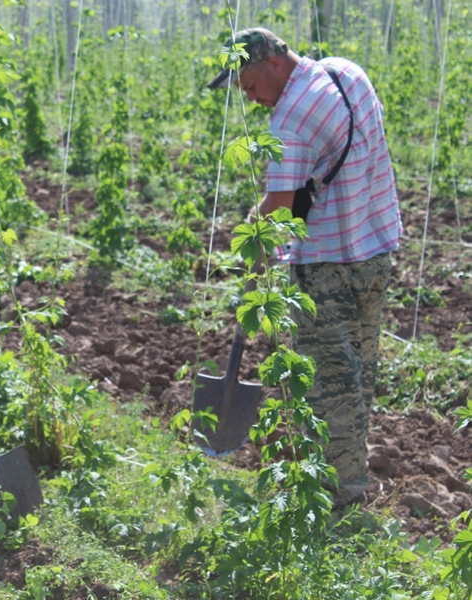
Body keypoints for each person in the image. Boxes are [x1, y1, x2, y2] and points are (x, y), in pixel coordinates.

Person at [207, 28, 403, 508]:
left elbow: (277, 212)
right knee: (359, 372)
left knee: (329, 385)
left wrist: (254, 257)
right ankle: (350, 472)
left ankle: (340, 499)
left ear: (274, 64)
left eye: (250, 86)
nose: (251, 100)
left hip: (327, 266)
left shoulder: (289, 120)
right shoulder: (347, 74)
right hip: (377, 247)